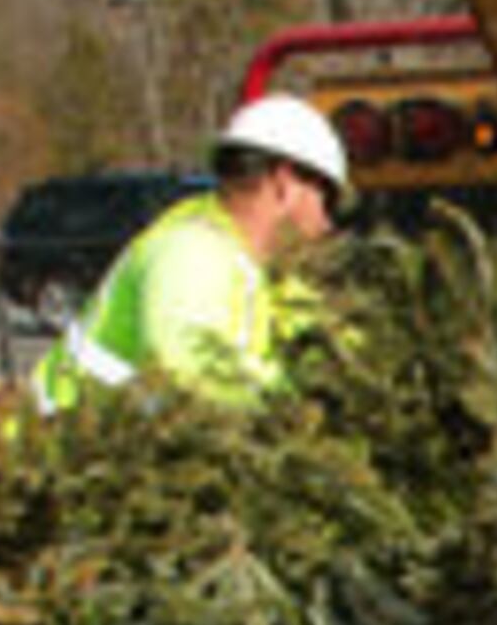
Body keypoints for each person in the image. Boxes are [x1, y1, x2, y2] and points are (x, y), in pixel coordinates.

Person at [25, 94, 348, 411]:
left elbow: (315, 335)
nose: (326, 224)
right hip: (58, 439)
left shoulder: (257, 266)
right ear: (284, 183)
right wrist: (299, 401)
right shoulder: (191, 253)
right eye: (326, 201)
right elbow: (192, 370)